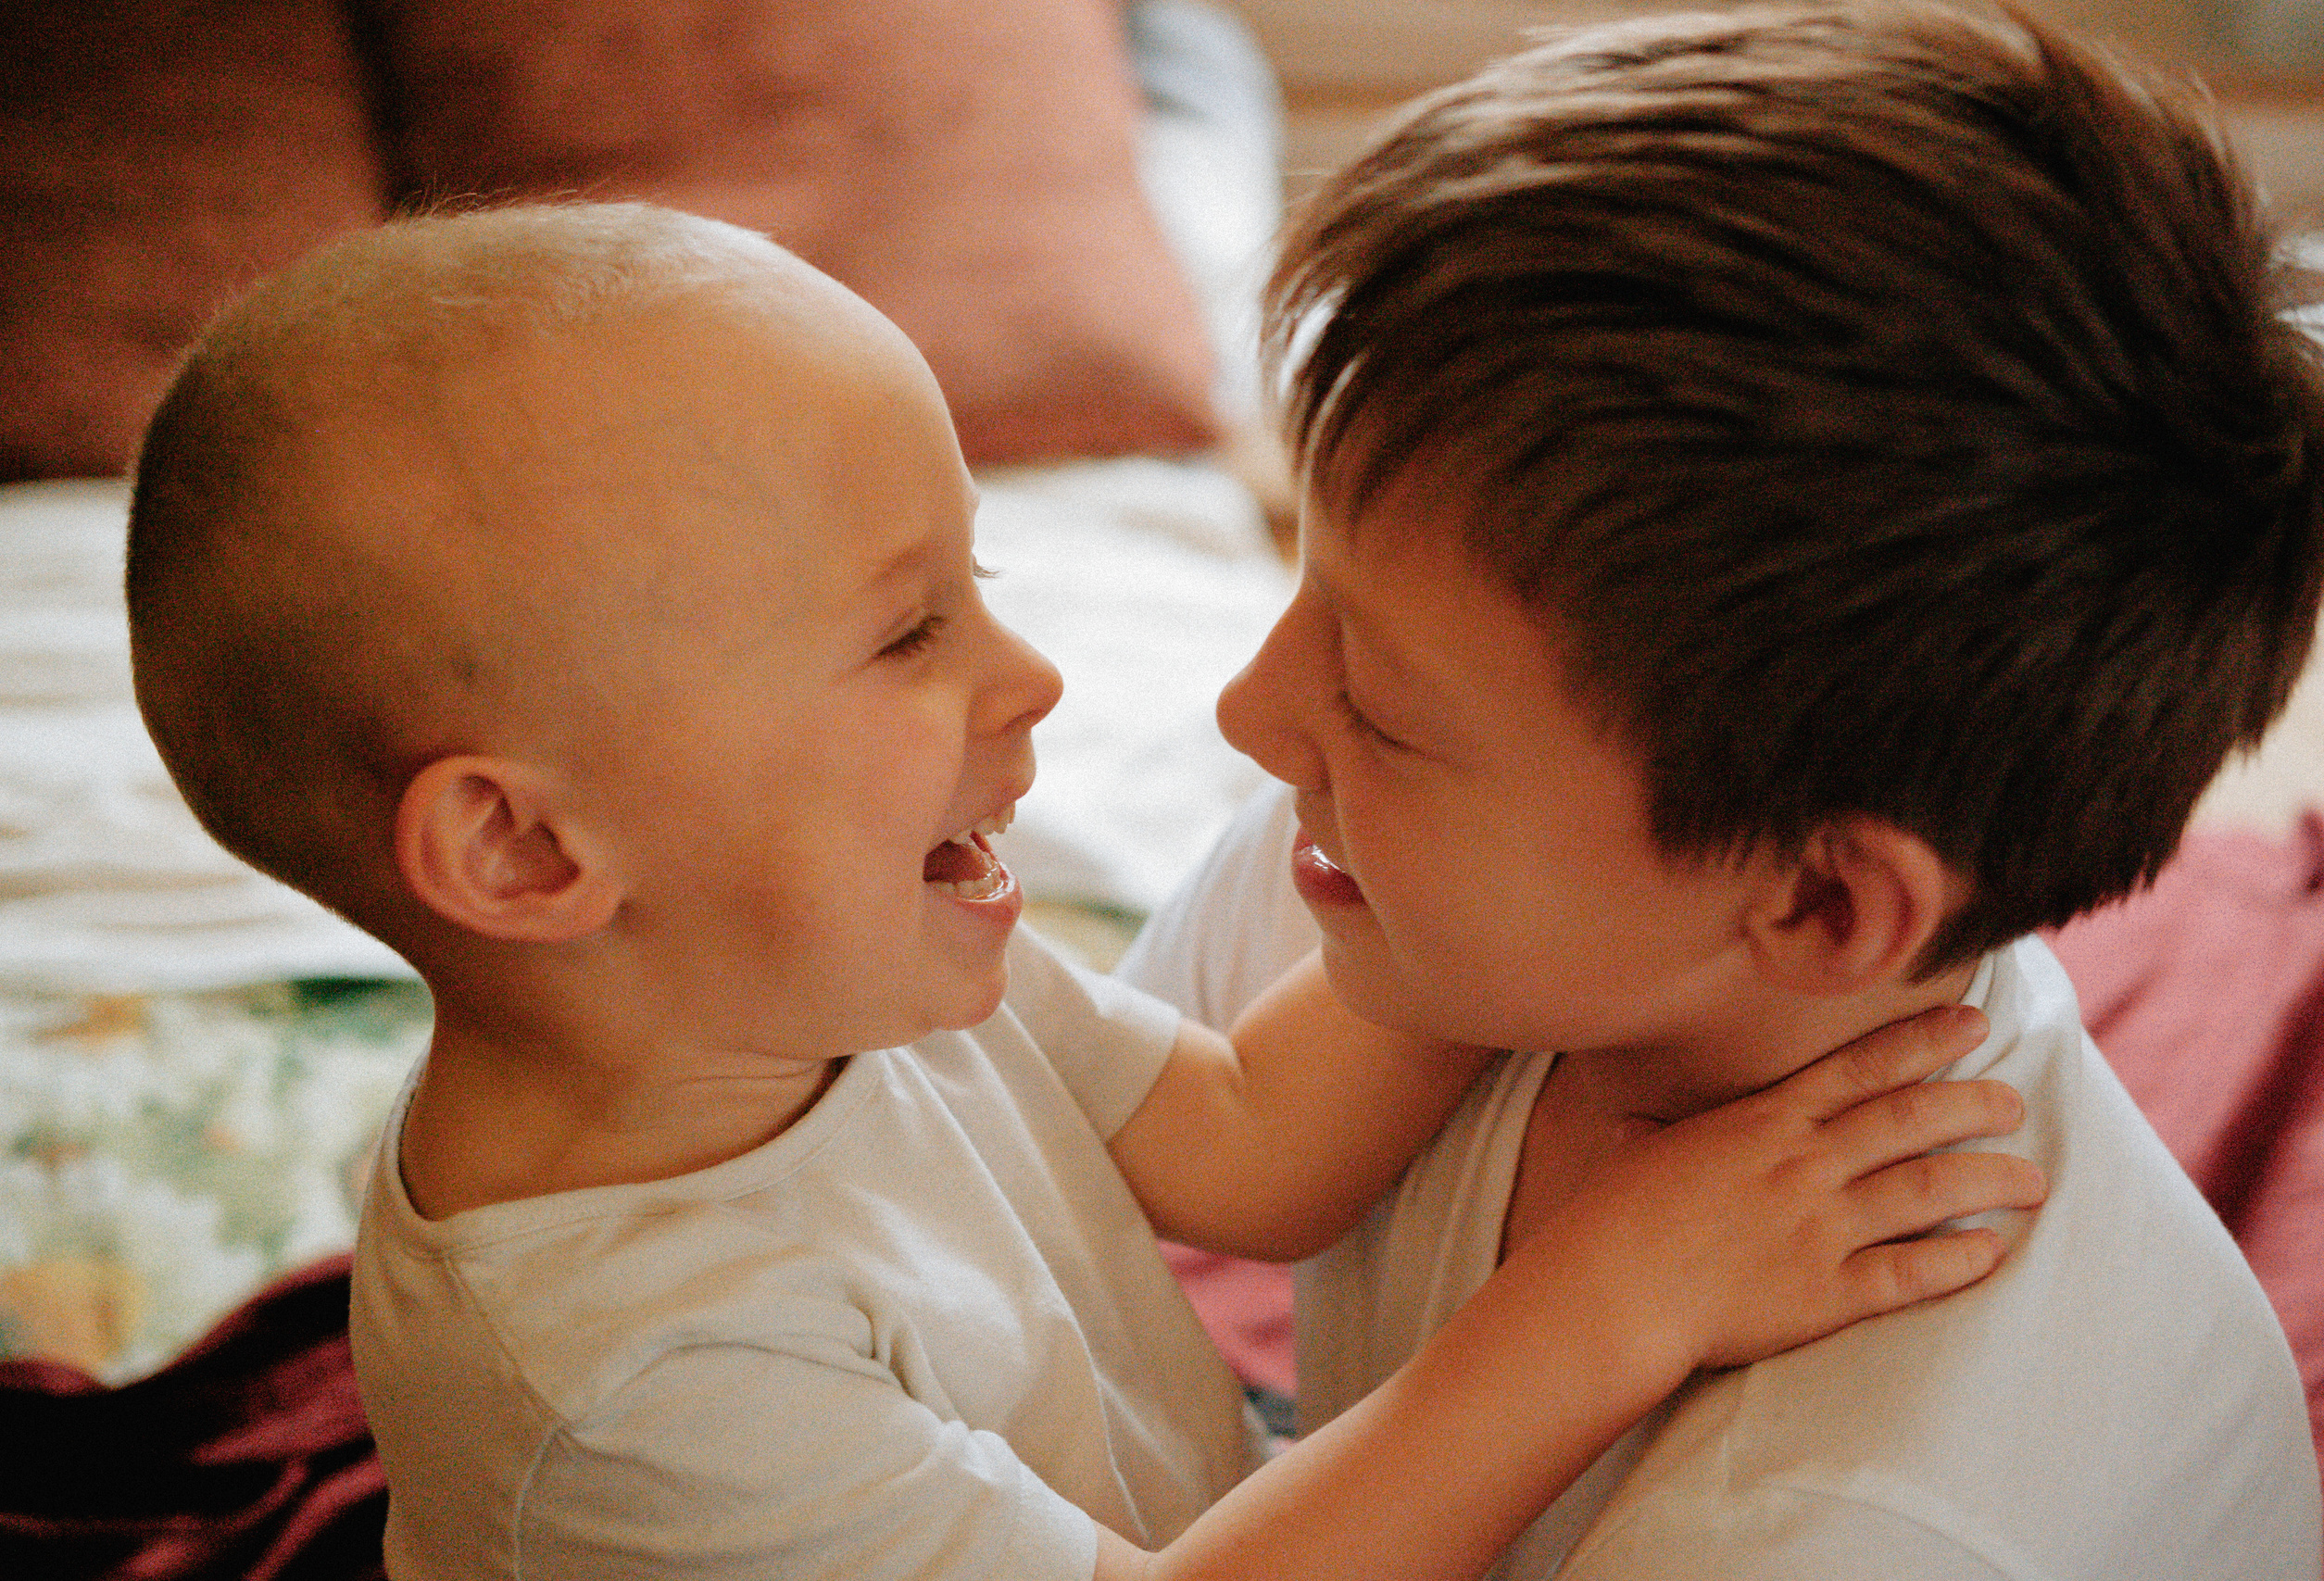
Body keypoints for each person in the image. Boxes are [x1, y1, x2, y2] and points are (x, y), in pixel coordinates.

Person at [118, 202, 2042, 1580]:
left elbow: (1239, 1143)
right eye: (904, 632)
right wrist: (1609, 1297)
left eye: (988, 585)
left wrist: (1550, 895)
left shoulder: (835, 962)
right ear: (532, 851)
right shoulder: (633, 1378)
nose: (1024, 682)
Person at [1118, 5, 2324, 1577]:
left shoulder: (1850, 1521)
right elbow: (1025, 1158)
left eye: (1380, 703)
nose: (1255, 716)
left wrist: (1566, 1331)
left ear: (1824, 902)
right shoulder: (1407, 892)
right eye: (1313, 593)